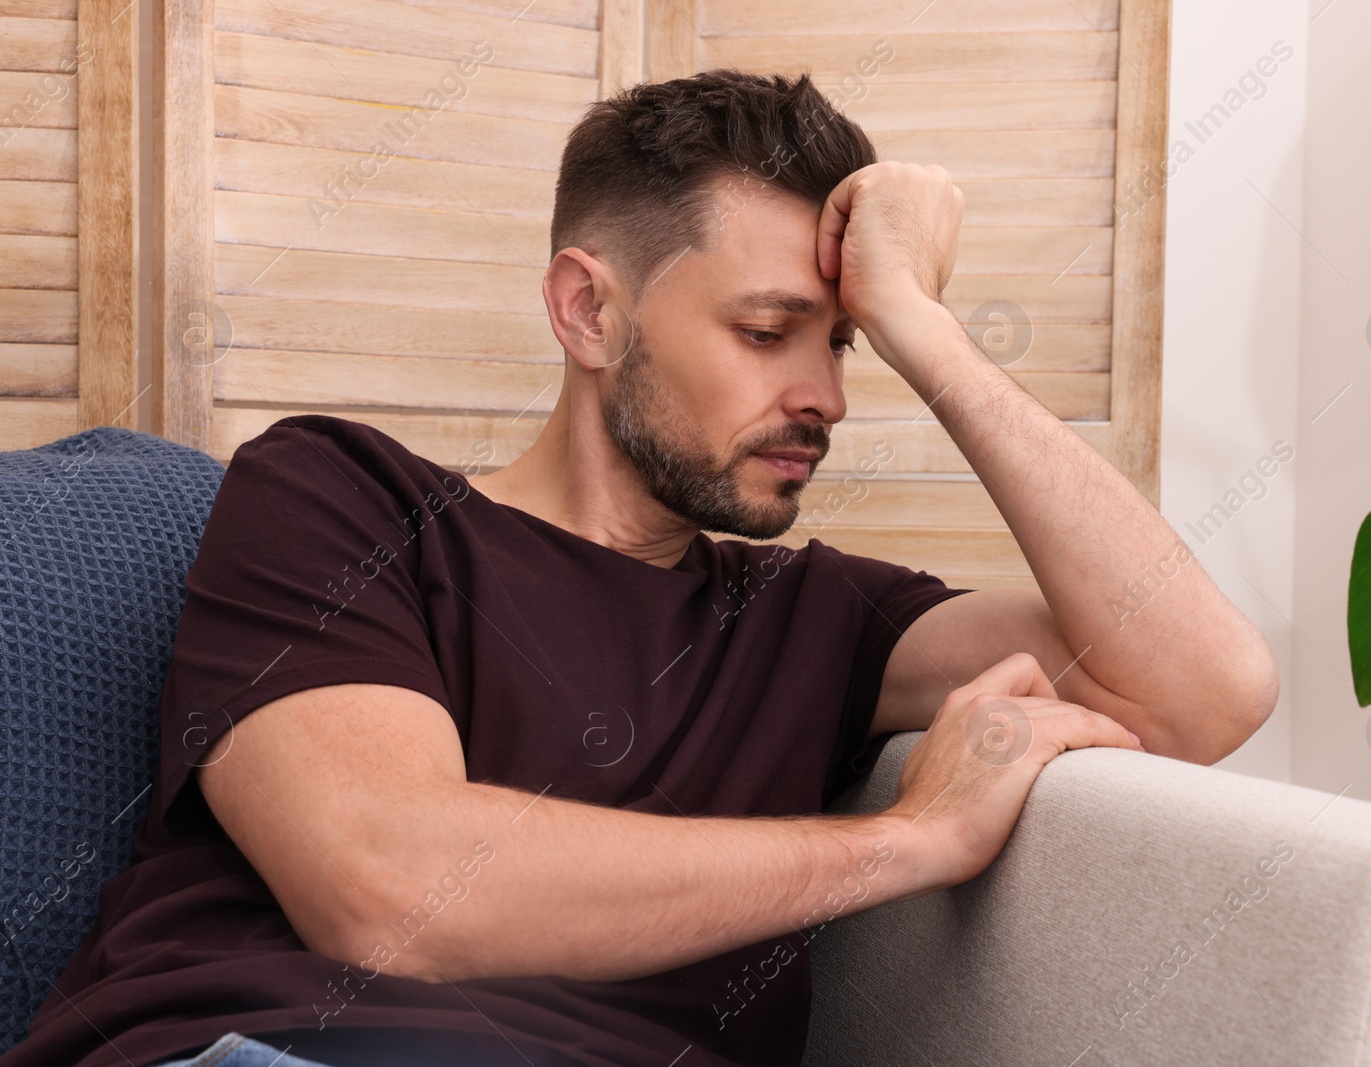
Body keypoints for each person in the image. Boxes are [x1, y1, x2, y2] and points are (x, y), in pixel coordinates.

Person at [0, 69, 1277, 1067]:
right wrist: (904, 841)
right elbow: (390, 887)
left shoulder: (817, 618)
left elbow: (1205, 688)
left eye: (846, 344)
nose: (824, 394)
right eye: (770, 330)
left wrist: (924, 325)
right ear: (589, 312)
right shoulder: (342, 496)